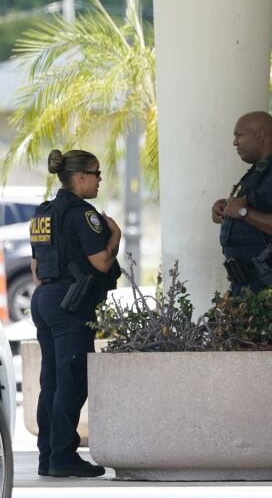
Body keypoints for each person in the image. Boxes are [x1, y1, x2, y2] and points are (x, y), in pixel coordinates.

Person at [29, 149, 122, 478]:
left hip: (45, 299)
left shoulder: (43, 212)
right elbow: (101, 262)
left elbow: (36, 268)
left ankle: (48, 456)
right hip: (71, 302)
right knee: (72, 381)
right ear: (80, 177)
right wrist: (115, 237)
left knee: (51, 382)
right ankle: (63, 457)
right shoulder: (83, 214)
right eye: (96, 174)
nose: (99, 180)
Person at [211, 111, 272, 295]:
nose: (235, 142)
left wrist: (243, 213)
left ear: (260, 135)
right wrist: (225, 207)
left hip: (271, 288)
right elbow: (250, 208)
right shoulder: (259, 173)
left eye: (239, 135)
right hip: (246, 285)